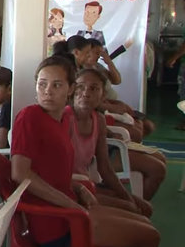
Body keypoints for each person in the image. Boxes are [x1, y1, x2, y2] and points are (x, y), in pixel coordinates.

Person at [11, 56, 159, 247]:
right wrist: (74, 205)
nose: (48, 91)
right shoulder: (30, 116)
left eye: (56, 85)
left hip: (70, 210)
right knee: (150, 238)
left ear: (70, 89)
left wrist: (79, 190)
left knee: (145, 221)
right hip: (56, 224)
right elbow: (20, 173)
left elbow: (54, 173)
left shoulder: (59, 120)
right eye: (42, 84)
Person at [65, 69, 153, 217]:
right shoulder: (65, 118)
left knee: (144, 207)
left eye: (93, 88)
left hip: (87, 184)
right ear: (72, 90)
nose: (86, 93)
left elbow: (105, 168)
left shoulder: (99, 120)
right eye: (80, 87)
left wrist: (128, 196)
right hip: (70, 188)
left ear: (103, 95)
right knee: (131, 209)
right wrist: (128, 202)